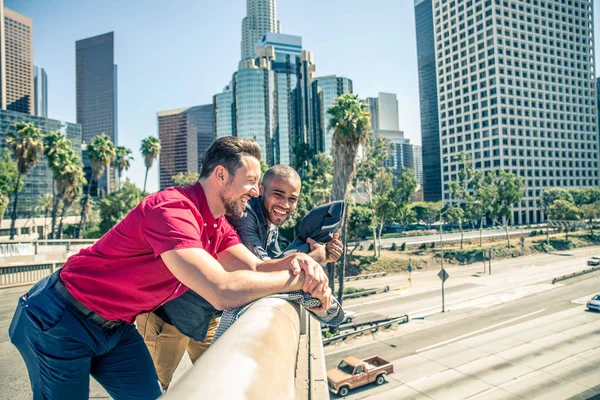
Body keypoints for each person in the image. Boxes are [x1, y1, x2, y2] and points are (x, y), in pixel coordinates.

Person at [9, 137, 331, 400]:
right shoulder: (173, 210)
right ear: (221, 175)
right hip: (60, 319)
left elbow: (258, 266)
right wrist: (295, 281)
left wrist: (299, 262)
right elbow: (220, 290)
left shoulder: (216, 223)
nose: (257, 191)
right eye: (250, 181)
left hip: (116, 328)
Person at [138, 164, 343, 391]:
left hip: (208, 318)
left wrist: (314, 252)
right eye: (278, 194)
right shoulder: (244, 216)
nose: (285, 205)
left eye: (292, 199)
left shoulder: (270, 223)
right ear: (261, 190)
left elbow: (276, 260)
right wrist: (314, 257)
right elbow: (261, 268)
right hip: (169, 317)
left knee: (221, 385)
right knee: (152, 391)